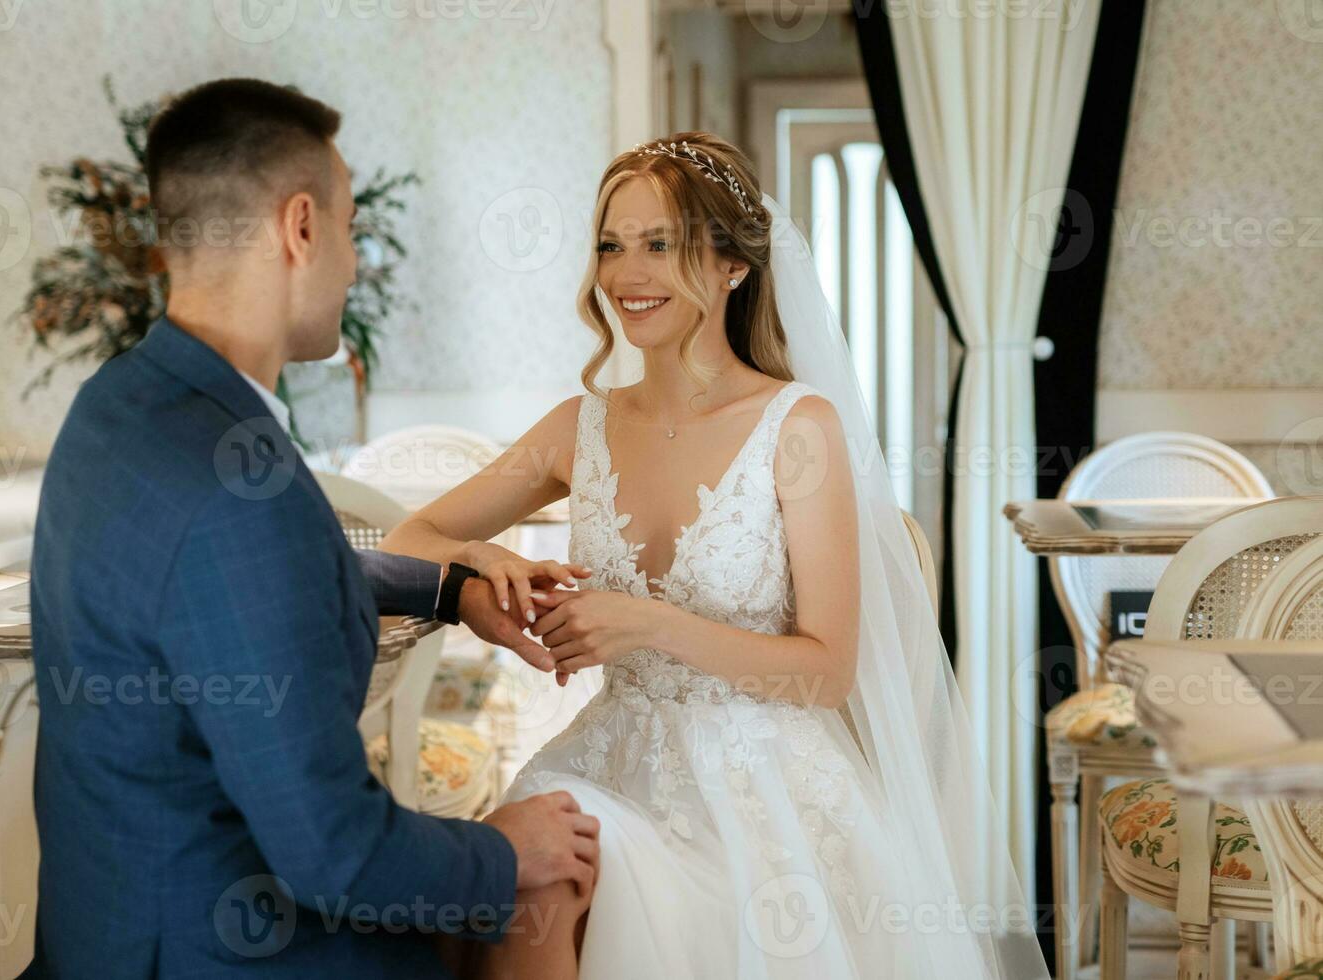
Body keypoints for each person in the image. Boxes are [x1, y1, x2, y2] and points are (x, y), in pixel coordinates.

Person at [379, 133, 1051, 978]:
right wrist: (483, 559)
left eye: (660, 244)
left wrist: (650, 623)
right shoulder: (575, 427)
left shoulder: (797, 428)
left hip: (761, 795)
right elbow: (410, 540)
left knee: (560, 886)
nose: (627, 274)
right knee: (537, 870)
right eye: (610, 246)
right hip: (608, 762)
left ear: (733, 265)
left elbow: (827, 671)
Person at [22, 78, 599, 979]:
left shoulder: (121, 407)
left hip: (110, 928)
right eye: (352, 228)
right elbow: (336, 854)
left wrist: (449, 588)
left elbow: (241, 602)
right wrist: (502, 850)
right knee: (553, 892)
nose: (357, 262)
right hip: (222, 949)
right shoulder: (234, 499)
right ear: (299, 227)